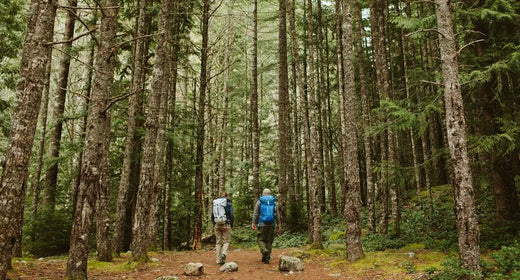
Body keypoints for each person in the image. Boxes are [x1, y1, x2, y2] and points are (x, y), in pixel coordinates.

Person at [252, 188, 281, 264]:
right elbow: (277, 215)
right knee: (269, 241)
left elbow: (256, 213)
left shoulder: (260, 202)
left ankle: (264, 250)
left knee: (260, 239)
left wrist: (254, 223)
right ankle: (266, 259)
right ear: (270, 194)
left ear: (263, 194)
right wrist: (279, 224)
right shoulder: (274, 202)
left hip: (262, 224)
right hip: (271, 224)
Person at [211, 191, 234, 265]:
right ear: (226, 196)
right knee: (226, 241)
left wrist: (214, 224)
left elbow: (212, 215)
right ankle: (224, 253)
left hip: (217, 224)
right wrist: (231, 224)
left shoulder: (215, 204)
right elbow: (232, 215)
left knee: (218, 242)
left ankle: (218, 260)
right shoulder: (229, 204)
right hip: (226, 224)